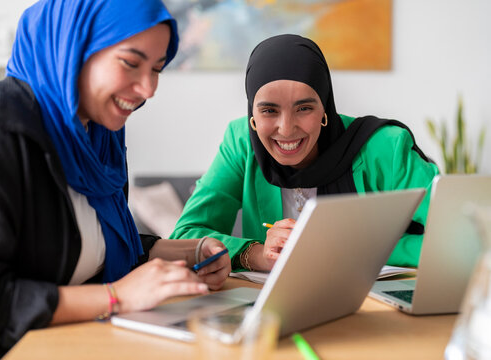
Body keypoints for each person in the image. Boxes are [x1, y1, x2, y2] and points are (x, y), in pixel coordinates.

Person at [0, 0, 230, 358]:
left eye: (157, 69)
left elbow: (86, 244)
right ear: (73, 45)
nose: (148, 89)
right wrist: (117, 296)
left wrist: (182, 252)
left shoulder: (100, 136)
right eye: (131, 63)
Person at [170, 34, 439, 272]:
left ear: (324, 108)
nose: (286, 130)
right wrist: (257, 254)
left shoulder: (384, 146)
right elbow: (185, 236)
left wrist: (357, 248)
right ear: (252, 114)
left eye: (304, 108)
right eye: (269, 110)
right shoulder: (242, 141)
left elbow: (460, 237)